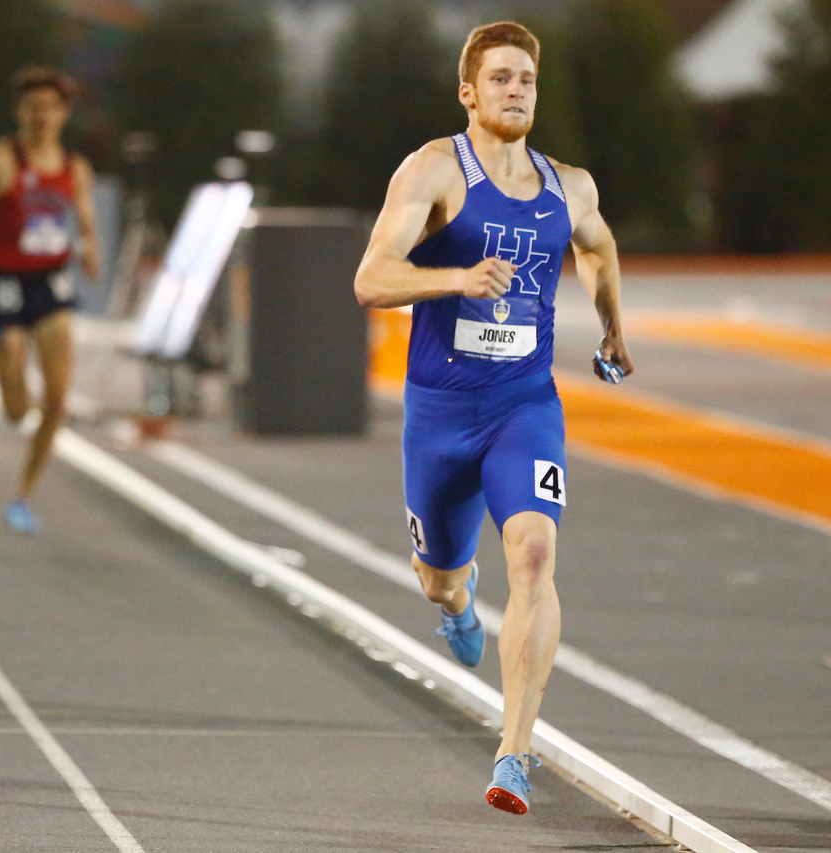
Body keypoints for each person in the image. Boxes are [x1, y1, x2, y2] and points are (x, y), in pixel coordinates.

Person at [353, 21, 634, 815]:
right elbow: (371, 279)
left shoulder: (569, 185)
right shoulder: (436, 169)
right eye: (501, 78)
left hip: (524, 405)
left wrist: (613, 325)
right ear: (469, 92)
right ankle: (458, 597)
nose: (517, 91)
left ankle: (515, 752)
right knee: (437, 578)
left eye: (528, 80)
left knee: (537, 554)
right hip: (440, 414)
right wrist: (456, 278)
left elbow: (600, 250)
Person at [0, 66, 99, 534]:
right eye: (32, 108)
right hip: (5, 280)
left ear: (64, 114)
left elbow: (85, 217)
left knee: (57, 397)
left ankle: (23, 494)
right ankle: (8, 375)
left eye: (50, 108)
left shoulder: (75, 167)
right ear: (18, 113)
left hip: (50, 282)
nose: (41, 117)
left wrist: (91, 248)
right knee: (16, 407)